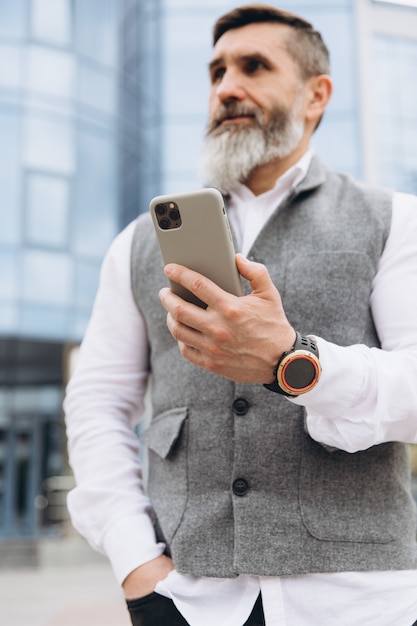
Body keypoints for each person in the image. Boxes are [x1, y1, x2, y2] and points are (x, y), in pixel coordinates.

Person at [64, 4, 417, 625]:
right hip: (187, 602)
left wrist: (293, 363)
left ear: (316, 95)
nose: (227, 87)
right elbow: (96, 403)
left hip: (361, 600)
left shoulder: (394, 220)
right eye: (216, 72)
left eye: (254, 66)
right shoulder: (137, 243)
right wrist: (135, 564)